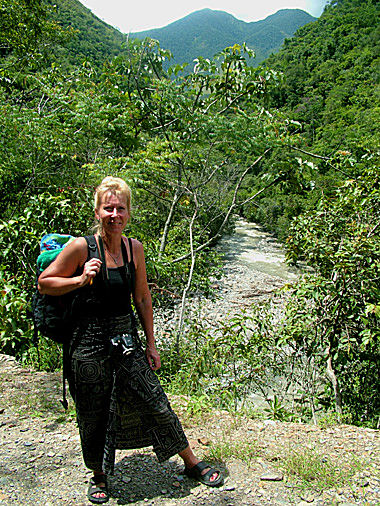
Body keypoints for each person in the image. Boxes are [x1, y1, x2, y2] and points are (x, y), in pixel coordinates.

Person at [38, 176, 223, 504]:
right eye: (108, 208)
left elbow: (142, 298)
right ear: (97, 212)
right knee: (93, 412)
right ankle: (99, 475)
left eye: (120, 208)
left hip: (125, 338)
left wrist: (150, 344)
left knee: (155, 399)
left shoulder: (132, 248)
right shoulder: (81, 247)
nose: (114, 214)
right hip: (88, 342)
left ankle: (191, 462)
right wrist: (81, 279)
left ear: (128, 213)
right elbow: (45, 282)